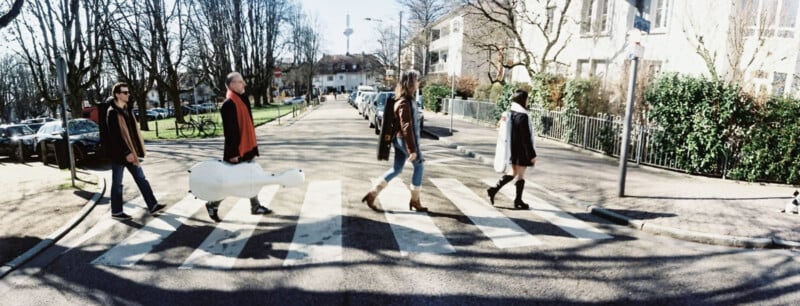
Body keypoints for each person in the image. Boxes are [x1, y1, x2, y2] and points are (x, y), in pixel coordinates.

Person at [205, 72, 272, 222]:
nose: (244, 84)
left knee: (251, 178)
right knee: (231, 183)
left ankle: (255, 206)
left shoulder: (242, 99)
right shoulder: (228, 105)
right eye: (241, 82)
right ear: (232, 85)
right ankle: (212, 204)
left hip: (246, 148)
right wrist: (234, 154)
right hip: (237, 151)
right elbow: (230, 133)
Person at [362, 70, 428, 212]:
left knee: (397, 169)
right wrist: (412, 150)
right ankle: (415, 200)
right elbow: (406, 127)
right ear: (410, 83)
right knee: (419, 165)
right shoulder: (404, 102)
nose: (418, 82)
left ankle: (372, 194)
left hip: (398, 140)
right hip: (404, 140)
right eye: (416, 80)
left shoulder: (404, 100)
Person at [106, 82, 165, 220]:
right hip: (119, 155)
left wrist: (135, 149)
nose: (128, 94)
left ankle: (153, 205)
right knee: (118, 184)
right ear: (117, 95)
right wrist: (127, 153)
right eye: (125, 92)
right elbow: (115, 137)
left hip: (131, 152)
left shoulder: (127, 110)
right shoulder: (112, 113)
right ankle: (116, 212)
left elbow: (132, 132)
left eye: (128, 92)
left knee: (141, 179)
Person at [487, 89, 536, 210]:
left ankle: (494, 190)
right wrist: (531, 154)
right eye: (527, 99)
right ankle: (517, 200)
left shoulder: (512, 113)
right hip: (522, 151)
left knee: (514, 173)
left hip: (513, 149)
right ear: (522, 100)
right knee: (520, 175)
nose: (528, 101)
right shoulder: (522, 116)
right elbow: (526, 138)